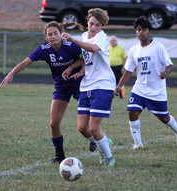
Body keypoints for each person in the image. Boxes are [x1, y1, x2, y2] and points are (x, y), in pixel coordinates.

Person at [0, 21, 85, 164]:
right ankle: (59, 156)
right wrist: (11, 73)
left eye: (55, 33)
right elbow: (25, 62)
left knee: (85, 123)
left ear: (60, 34)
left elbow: (85, 59)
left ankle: (94, 140)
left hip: (79, 84)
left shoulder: (70, 45)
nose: (53, 36)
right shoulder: (44, 49)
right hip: (61, 87)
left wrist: (71, 68)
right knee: (53, 123)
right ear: (46, 37)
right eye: (49, 34)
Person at [115, 16, 177, 150]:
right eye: (138, 29)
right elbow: (129, 71)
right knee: (132, 111)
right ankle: (138, 144)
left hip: (156, 89)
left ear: (150, 32)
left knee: (164, 118)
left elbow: (170, 65)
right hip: (140, 88)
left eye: (144, 29)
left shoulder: (158, 47)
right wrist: (119, 86)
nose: (141, 32)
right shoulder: (133, 50)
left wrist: (165, 72)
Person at [62, 8, 116, 166]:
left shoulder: (101, 37)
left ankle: (108, 157)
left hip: (102, 85)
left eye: (97, 25)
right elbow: (85, 57)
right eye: (91, 24)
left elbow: (92, 49)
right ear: (87, 22)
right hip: (86, 85)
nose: (93, 28)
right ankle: (103, 141)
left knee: (94, 127)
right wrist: (73, 68)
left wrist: (73, 40)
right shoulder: (85, 36)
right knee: (82, 128)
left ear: (102, 26)